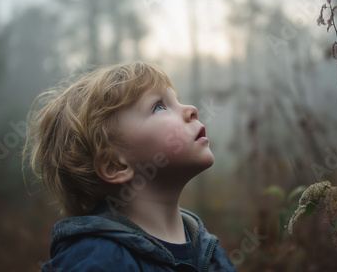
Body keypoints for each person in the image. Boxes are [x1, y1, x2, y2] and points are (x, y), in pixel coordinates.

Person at [23, 61, 236, 271]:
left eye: (177, 100)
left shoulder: (210, 251)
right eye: (159, 107)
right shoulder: (99, 261)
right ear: (115, 166)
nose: (192, 110)